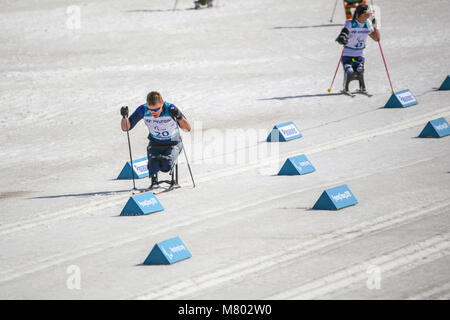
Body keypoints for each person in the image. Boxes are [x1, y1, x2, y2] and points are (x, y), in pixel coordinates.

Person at [120, 91, 191, 188]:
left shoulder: (170, 108)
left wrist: (179, 117)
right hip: (155, 142)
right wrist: (124, 117)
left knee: (166, 165)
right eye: (151, 110)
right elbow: (126, 128)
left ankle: (173, 180)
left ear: (162, 104)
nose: (153, 113)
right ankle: (154, 181)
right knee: (153, 165)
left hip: (173, 142)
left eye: (157, 109)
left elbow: (187, 128)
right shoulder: (143, 109)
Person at [335, 3, 380, 95]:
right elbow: (343, 33)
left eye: (369, 13)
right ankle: (346, 88)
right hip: (348, 53)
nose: (368, 15)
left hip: (360, 54)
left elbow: (376, 39)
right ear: (359, 14)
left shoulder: (368, 23)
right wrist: (342, 38)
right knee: (349, 71)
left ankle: (362, 88)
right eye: (366, 13)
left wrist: (376, 27)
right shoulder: (350, 23)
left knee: (360, 71)